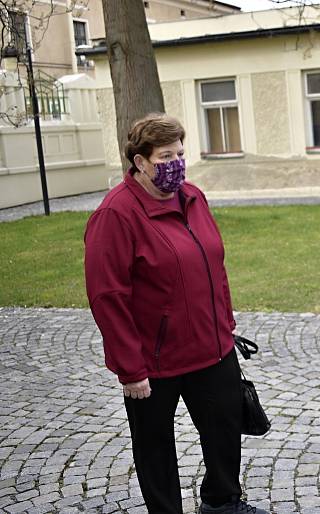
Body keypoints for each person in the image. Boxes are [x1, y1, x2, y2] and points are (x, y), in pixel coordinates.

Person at [84, 113, 266, 514]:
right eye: (166, 155)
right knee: (155, 448)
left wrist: (225, 326)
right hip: (154, 362)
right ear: (141, 161)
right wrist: (130, 369)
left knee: (224, 432)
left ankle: (221, 503)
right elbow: (107, 296)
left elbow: (214, 264)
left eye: (180, 153)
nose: (176, 163)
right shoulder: (116, 214)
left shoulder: (194, 197)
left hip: (211, 347)